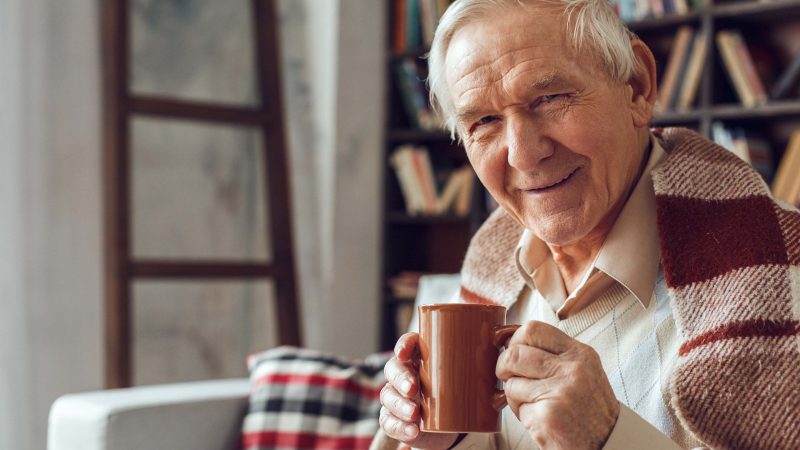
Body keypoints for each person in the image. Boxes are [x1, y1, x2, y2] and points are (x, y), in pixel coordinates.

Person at [374, 0, 800, 449]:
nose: (522, 154)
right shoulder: (490, 260)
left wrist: (610, 439)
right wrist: (443, 440)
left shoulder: (781, 272)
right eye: (485, 121)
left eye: (550, 98)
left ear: (636, 87)